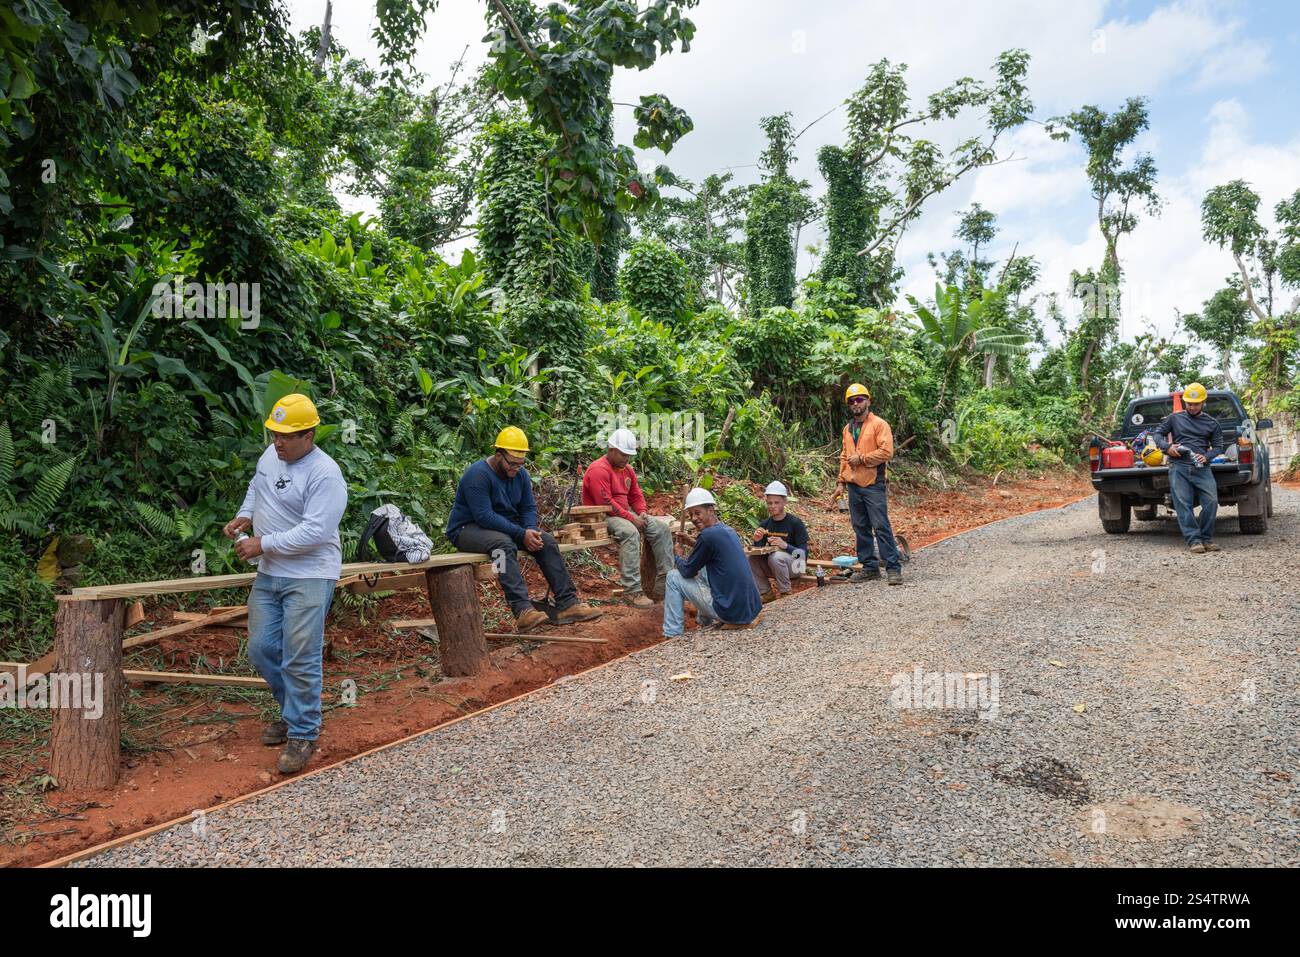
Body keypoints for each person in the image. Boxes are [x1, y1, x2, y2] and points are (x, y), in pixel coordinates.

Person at [223, 393, 347, 775]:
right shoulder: (270, 457)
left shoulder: (325, 474)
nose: (277, 441)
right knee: (261, 649)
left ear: (308, 436)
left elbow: (315, 531)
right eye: (274, 434)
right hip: (271, 573)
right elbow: (256, 487)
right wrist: (245, 516)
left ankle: (304, 732)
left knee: (300, 654)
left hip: (310, 573)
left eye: (286, 436)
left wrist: (264, 543)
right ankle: (295, 713)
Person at [445, 426, 602, 630]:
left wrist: (530, 530)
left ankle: (568, 603)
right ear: (498, 454)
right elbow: (484, 517)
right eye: (512, 463)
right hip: (467, 529)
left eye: (520, 464)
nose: (516, 468)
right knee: (502, 545)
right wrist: (520, 533)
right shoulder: (477, 475)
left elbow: (528, 506)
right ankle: (522, 610)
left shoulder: (520, 474)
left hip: (504, 527)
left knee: (545, 541)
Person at [581, 428, 674, 608]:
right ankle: (632, 591)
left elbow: (636, 495)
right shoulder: (599, 470)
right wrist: (632, 519)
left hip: (622, 513)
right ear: (611, 450)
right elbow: (606, 503)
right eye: (623, 454)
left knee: (661, 529)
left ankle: (666, 581)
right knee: (630, 532)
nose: (626, 458)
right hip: (599, 516)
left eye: (629, 455)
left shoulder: (627, 469)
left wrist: (642, 512)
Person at [662, 487, 763, 638]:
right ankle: (704, 621)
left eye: (697, 513)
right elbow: (711, 552)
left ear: (710, 510)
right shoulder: (726, 530)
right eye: (690, 515)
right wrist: (692, 543)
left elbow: (687, 571)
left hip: (730, 612)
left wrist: (678, 555)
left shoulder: (707, 536)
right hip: (750, 608)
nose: (694, 518)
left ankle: (672, 633)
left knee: (672, 577)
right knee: (705, 567)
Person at [836, 383, 903, 585]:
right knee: (860, 527)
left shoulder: (879, 425)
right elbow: (844, 456)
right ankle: (870, 567)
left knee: (881, 526)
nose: (856, 403)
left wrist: (863, 459)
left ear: (868, 401)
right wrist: (841, 481)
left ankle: (893, 568)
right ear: (848, 405)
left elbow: (886, 452)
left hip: (874, 485)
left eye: (859, 399)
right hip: (854, 486)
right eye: (852, 401)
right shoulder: (847, 429)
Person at [1153, 382, 1225, 553]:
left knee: (1211, 501)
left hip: (1201, 467)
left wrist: (1206, 457)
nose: (1192, 407)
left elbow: (1218, 447)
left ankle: (1206, 539)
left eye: (1196, 404)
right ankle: (1194, 540)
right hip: (1178, 467)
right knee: (1183, 504)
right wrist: (1167, 447)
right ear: (1185, 402)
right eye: (1189, 403)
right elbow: (1157, 434)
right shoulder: (1174, 418)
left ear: (1203, 403)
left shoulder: (1212, 423)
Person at [749, 480, 809, 602]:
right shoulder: (765, 524)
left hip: (797, 566)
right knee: (750, 558)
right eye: (769, 503)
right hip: (776, 567)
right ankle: (766, 593)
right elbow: (759, 552)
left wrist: (785, 545)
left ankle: (786, 592)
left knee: (776, 556)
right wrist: (757, 541)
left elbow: (803, 554)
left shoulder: (795, 523)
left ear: (785, 502)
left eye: (777, 502)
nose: (772, 506)